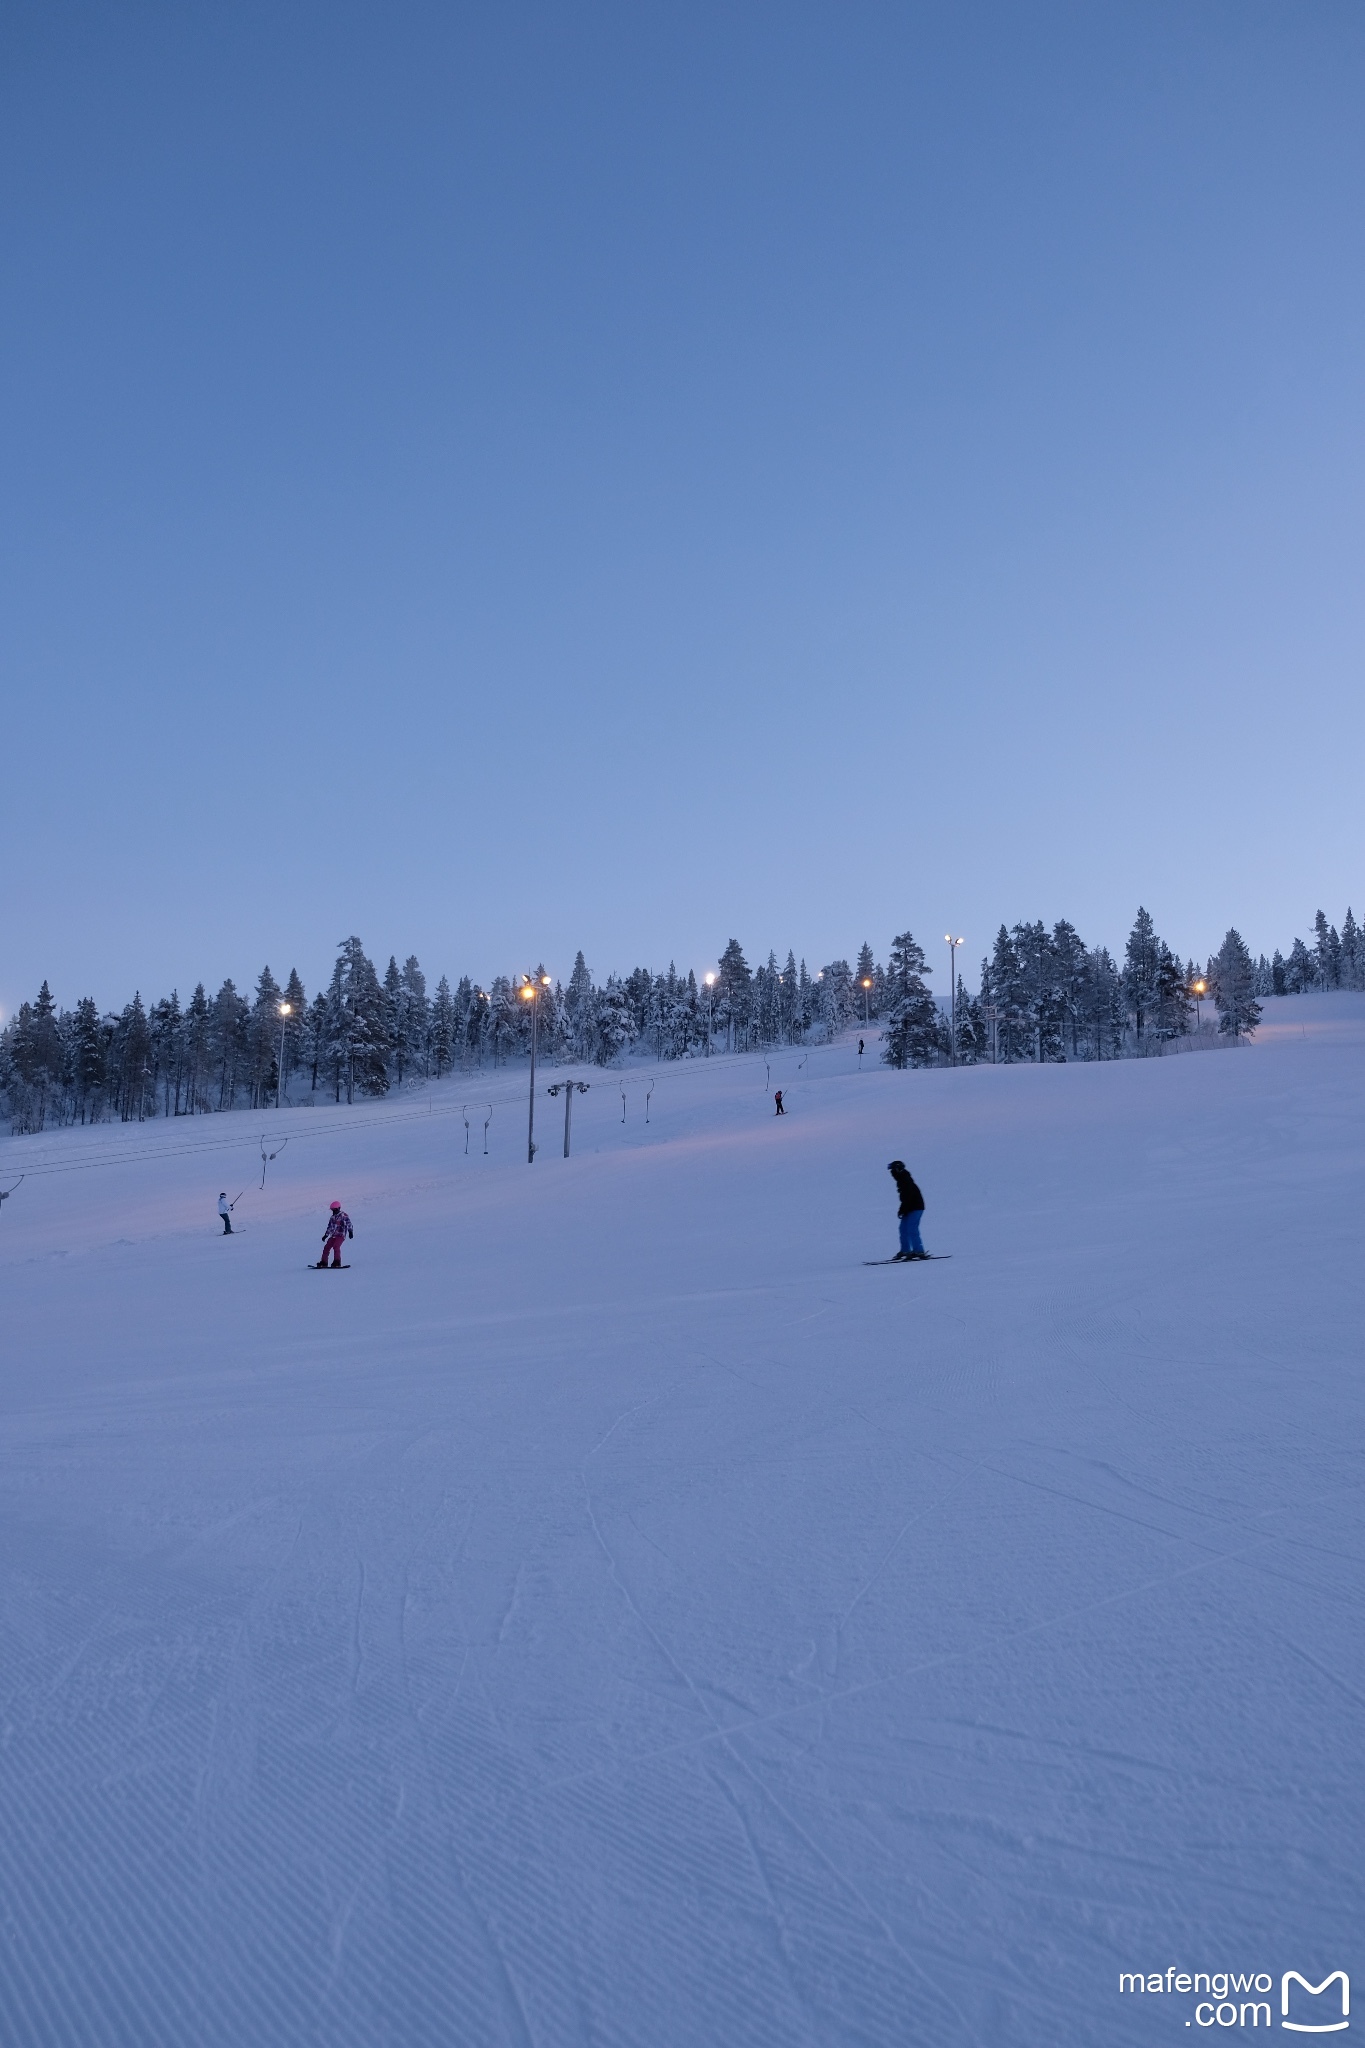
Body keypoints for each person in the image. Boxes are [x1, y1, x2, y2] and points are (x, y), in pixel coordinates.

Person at [887, 1160, 927, 1260]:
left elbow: (909, 1196)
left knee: (912, 1229)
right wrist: (902, 1209)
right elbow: (905, 1198)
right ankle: (905, 1250)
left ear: (897, 1169)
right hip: (909, 1207)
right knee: (903, 1229)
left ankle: (919, 1251)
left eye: (892, 1170)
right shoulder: (902, 1180)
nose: (892, 1173)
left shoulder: (906, 1179)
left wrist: (903, 1208)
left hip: (916, 1207)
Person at [317, 1201, 353, 1268]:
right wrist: (326, 1235)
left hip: (340, 1235)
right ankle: (324, 1262)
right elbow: (330, 1227)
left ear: (339, 1208)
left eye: (335, 1210)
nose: (334, 1211)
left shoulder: (343, 1215)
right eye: (332, 1210)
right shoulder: (332, 1217)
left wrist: (350, 1232)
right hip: (333, 1235)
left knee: (336, 1246)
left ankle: (337, 1261)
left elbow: (349, 1223)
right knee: (326, 1247)